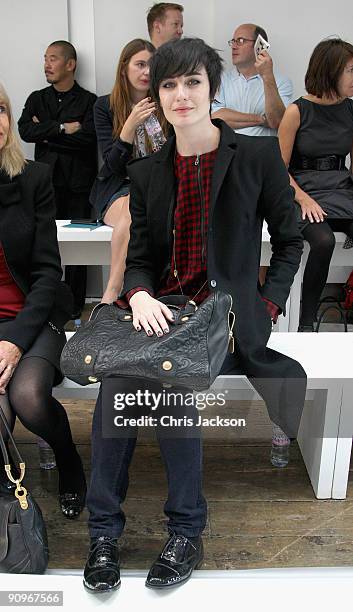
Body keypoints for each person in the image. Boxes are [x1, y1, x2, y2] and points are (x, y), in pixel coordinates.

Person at [83, 38, 306, 594]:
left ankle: (186, 529)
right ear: (156, 96)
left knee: (171, 381)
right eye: (169, 85)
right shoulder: (150, 170)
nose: (181, 95)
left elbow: (291, 240)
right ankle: (103, 533)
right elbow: (139, 261)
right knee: (118, 384)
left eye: (192, 83)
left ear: (211, 89)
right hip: (162, 311)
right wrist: (136, 294)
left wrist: (268, 304)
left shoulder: (254, 157)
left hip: (223, 317)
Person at [0, 83, 86, 518]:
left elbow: (48, 273)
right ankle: (9, 501)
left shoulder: (33, 178)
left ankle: (69, 459)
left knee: (29, 397)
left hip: (34, 317)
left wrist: (14, 340)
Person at [18, 40, 97, 320]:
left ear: (70, 64)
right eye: (45, 58)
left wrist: (47, 132)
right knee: (43, 245)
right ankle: (45, 302)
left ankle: (75, 305)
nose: (46, 64)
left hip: (78, 185)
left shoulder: (89, 101)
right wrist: (63, 128)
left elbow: (89, 139)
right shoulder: (37, 98)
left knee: (79, 247)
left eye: (52, 58)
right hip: (45, 185)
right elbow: (26, 130)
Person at [278, 38, 353, 331]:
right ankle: (306, 324)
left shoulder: (351, 110)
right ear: (330, 71)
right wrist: (302, 198)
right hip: (302, 190)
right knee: (322, 241)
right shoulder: (297, 111)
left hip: (341, 189)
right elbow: (278, 168)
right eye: (349, 70)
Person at [90, 38, 168, 304]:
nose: (147, 72)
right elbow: (110, 166)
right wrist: (130, 126)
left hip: (158, 187)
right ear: (124, 68)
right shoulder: (104, 106)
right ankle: (114, 291)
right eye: (140, 64)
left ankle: (120, 294)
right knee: (132, 208)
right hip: (117, 186)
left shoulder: (164, 104)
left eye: (152, 65)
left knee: (138, 205)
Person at [212, 23, 293, 136]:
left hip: (263, 150)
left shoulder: (281, 82)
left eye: (240, 41)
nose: (234, 46)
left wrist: (267, 76)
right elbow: (216, 117)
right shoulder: (221, 79)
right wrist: (261, 119)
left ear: (259, 46)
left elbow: (277, 121)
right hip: (230, 150)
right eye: (233, 41)